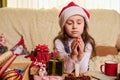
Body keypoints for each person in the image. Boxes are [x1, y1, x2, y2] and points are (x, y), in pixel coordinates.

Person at [53, 2, 96, 74]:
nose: (75, 27)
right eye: (70, 23)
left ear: (84, 25)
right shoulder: (59, 42)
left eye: (79, 23)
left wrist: (81, 54)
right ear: (63, 26)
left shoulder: (88, 43)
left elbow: (82, 71)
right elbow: (66, 70)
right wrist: (73, 55)